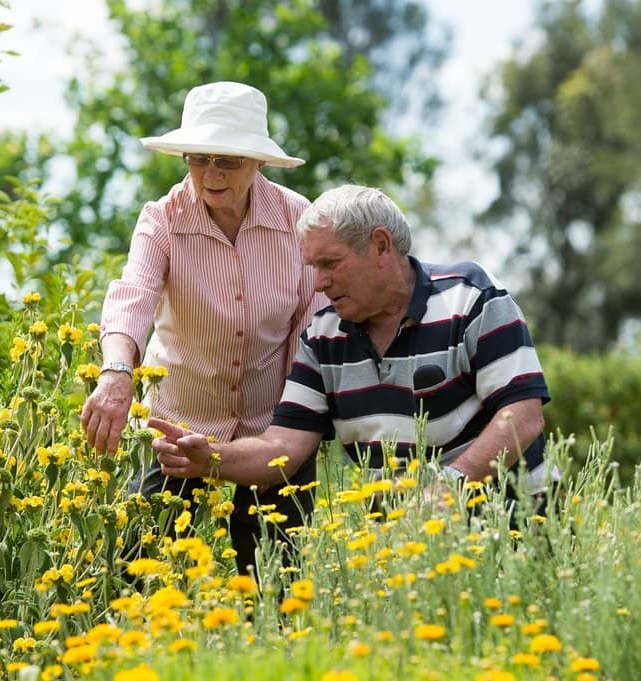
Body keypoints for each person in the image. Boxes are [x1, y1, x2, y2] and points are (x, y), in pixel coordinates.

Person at [152, 184, 554, 524]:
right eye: (313, 266)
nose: (318, 284)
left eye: (330, 263)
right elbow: (282, 448)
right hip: (407, 544)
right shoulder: (323, 338)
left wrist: (450, 487)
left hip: (516, 524)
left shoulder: (471, 298)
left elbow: (523, 415)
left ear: (381, 246)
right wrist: (212, 457)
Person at [80, 81, 324, 575]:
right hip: (177, 427)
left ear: (257, 162)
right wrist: (116, 374)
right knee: (139, 572)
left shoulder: (298, 219)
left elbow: (311, 331)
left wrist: (296, 428)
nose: (210, 173)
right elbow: (133, 297)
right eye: (197, 158)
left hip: (271, 433)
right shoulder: (162, 219)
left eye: (227, 160)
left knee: (276, 580)